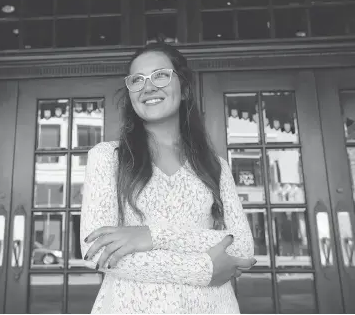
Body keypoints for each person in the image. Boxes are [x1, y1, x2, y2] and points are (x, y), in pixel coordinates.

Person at [80, 42, 256, 314]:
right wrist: (205, 268)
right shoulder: (107, 157)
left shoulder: (215, 166)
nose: (148, 87)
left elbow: (241, 248)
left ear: (184, 88)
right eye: (137, 80)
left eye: (160, 75)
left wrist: (151, 237)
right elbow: (97, 252)